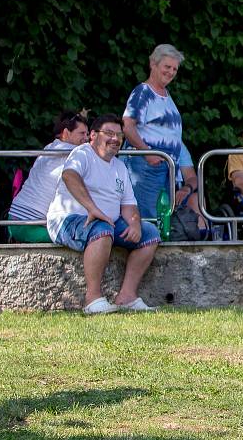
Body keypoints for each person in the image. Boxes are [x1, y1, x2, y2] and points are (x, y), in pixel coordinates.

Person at [47, 114, 160, 314]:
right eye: (109, 133)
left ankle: (127, 296)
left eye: (119, 135)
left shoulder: (119, 166)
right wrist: (93, 209)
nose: (115, 139)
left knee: (149, 232)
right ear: (93, 135)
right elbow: (69, 176)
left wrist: (134, 223)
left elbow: (128, 204)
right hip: (68, 220)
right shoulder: (82, 153)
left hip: (107, 223)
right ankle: (93, 299)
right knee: (102, 228)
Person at [121, 44, 185, 219]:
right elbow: (128, 126)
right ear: (153, 64)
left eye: (174, 69)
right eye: (167, 67)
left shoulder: (166, 94)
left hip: (166, 167)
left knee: (162, 219)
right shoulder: (143, 92)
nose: (171, 72)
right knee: (148, 218)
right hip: (147, 166)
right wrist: (148, 153)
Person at [8, 111, 89, 243]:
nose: (86, 138)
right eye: (82, 133)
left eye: (87, 134)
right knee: (82, 239)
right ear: (66, 133)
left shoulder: (50, 147)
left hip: (14, 220)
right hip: (28, 226)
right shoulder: (73, 151)